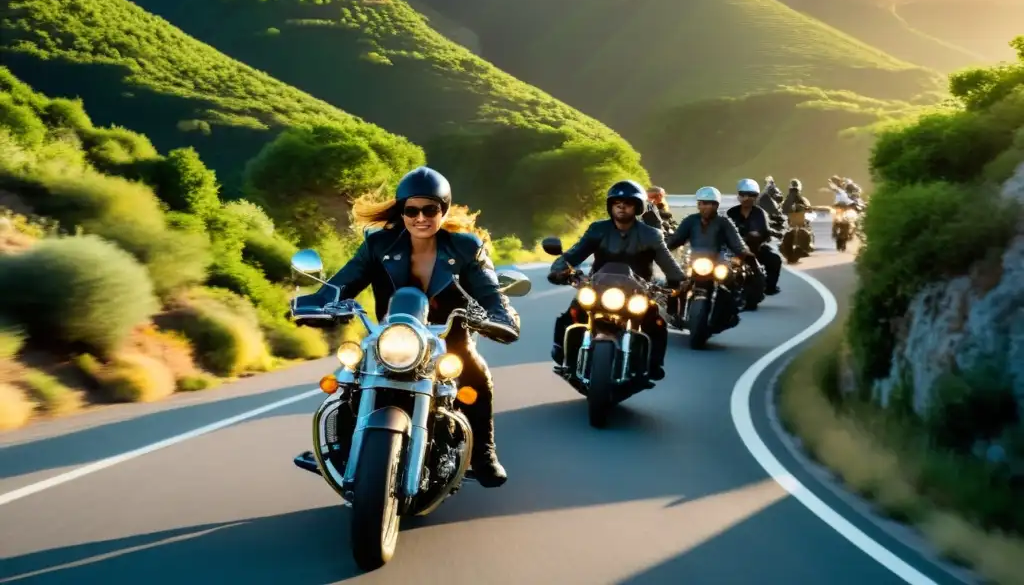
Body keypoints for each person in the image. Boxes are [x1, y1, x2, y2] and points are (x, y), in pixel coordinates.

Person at [290, 167, 518, 488]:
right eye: (411, 210)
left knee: (475, 374)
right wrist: (316, 302)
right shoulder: (378, 245)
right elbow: (342, 283)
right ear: (401, 211)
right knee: (350, 378)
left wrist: (500, 314)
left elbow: (489, 290)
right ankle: (339, 446)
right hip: (390, 340)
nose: (420, 217)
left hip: (446, 340)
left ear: (444, 210)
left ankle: (483, 453)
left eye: (430, 209)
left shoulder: (466, 248)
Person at [548, 180, 685, 381]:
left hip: (637, 291)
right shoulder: (598, 229)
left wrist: (678, 281)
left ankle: (654, 364)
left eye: (628, 203)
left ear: (637, 207)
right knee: (571, 314)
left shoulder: (651, 235)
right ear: (610, 205)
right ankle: (562, 354)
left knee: (656, 322)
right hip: (598, 287)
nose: (621, 206)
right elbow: (575, 253)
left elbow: (669, 264)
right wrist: (560, 269)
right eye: (617, 202)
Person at [666, 186, 750, 328]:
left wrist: (744, 253)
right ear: (699, 205)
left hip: (718, 261)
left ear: (717, 205)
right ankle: (673, 313)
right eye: (704, 203)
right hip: (694, 261)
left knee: (731, 281)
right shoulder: (690, 221)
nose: (707, 206)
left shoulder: (724, 222)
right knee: (675, 281)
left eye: (711, 203)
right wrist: (662, 249)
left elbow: (736, 243)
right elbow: (676, 239)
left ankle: (730, 314)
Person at [726, 179, 782, 295]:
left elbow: (765, 230)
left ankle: (770, 287)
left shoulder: (760, 213)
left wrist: (761, 235)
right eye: (743, 195)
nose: (747, 198)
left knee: (775, 259)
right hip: (734, 250)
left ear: (756, 197)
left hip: (755, 249)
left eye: (751, 195)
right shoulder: (731, 212)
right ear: (739, 196)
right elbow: (723, 229)